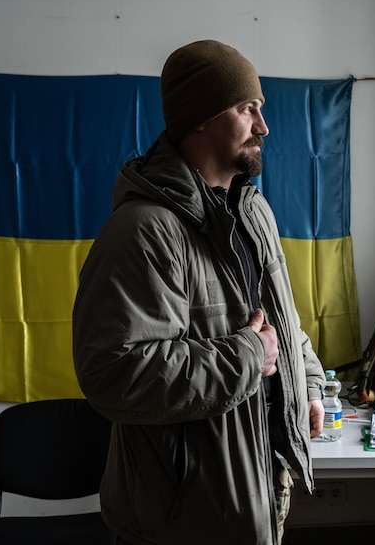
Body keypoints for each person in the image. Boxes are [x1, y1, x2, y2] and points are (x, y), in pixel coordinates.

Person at [72, 39, 326, 545]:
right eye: (245, 108)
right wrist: (247, 358)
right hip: (183, 516)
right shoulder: (144, 231)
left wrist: (308, 386)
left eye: (261, 109)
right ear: (201, 120)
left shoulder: (254, 213)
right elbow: (112, 372)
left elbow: (283, 324)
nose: (263, 126)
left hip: (257, 491)